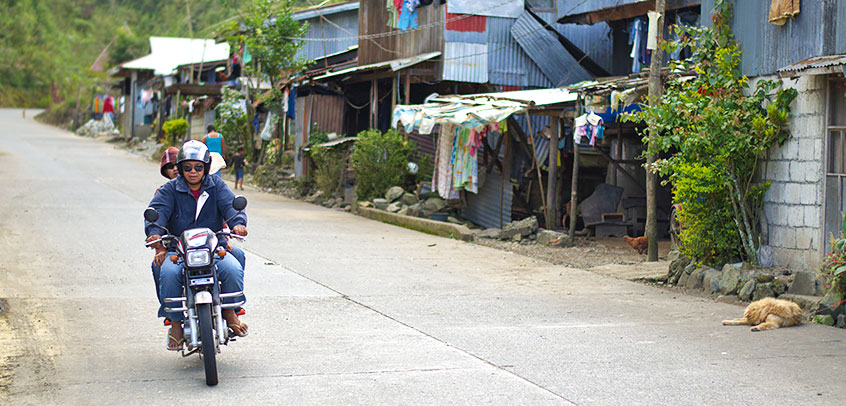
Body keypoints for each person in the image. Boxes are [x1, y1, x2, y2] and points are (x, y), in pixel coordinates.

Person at [145, 141, 248, 351]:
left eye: (198, 167)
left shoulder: (216, 186)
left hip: (213, 248)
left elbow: (231, 205)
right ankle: (174, 323)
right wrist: (154, 232)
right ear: (181, 168)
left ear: (206, 167)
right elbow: (158, 211)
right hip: (179, 249)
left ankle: (230, 311)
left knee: (233, 267)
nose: (193, 172)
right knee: (167, 272)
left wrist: (238, 224)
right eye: (187, 167)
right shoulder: (169, 189)